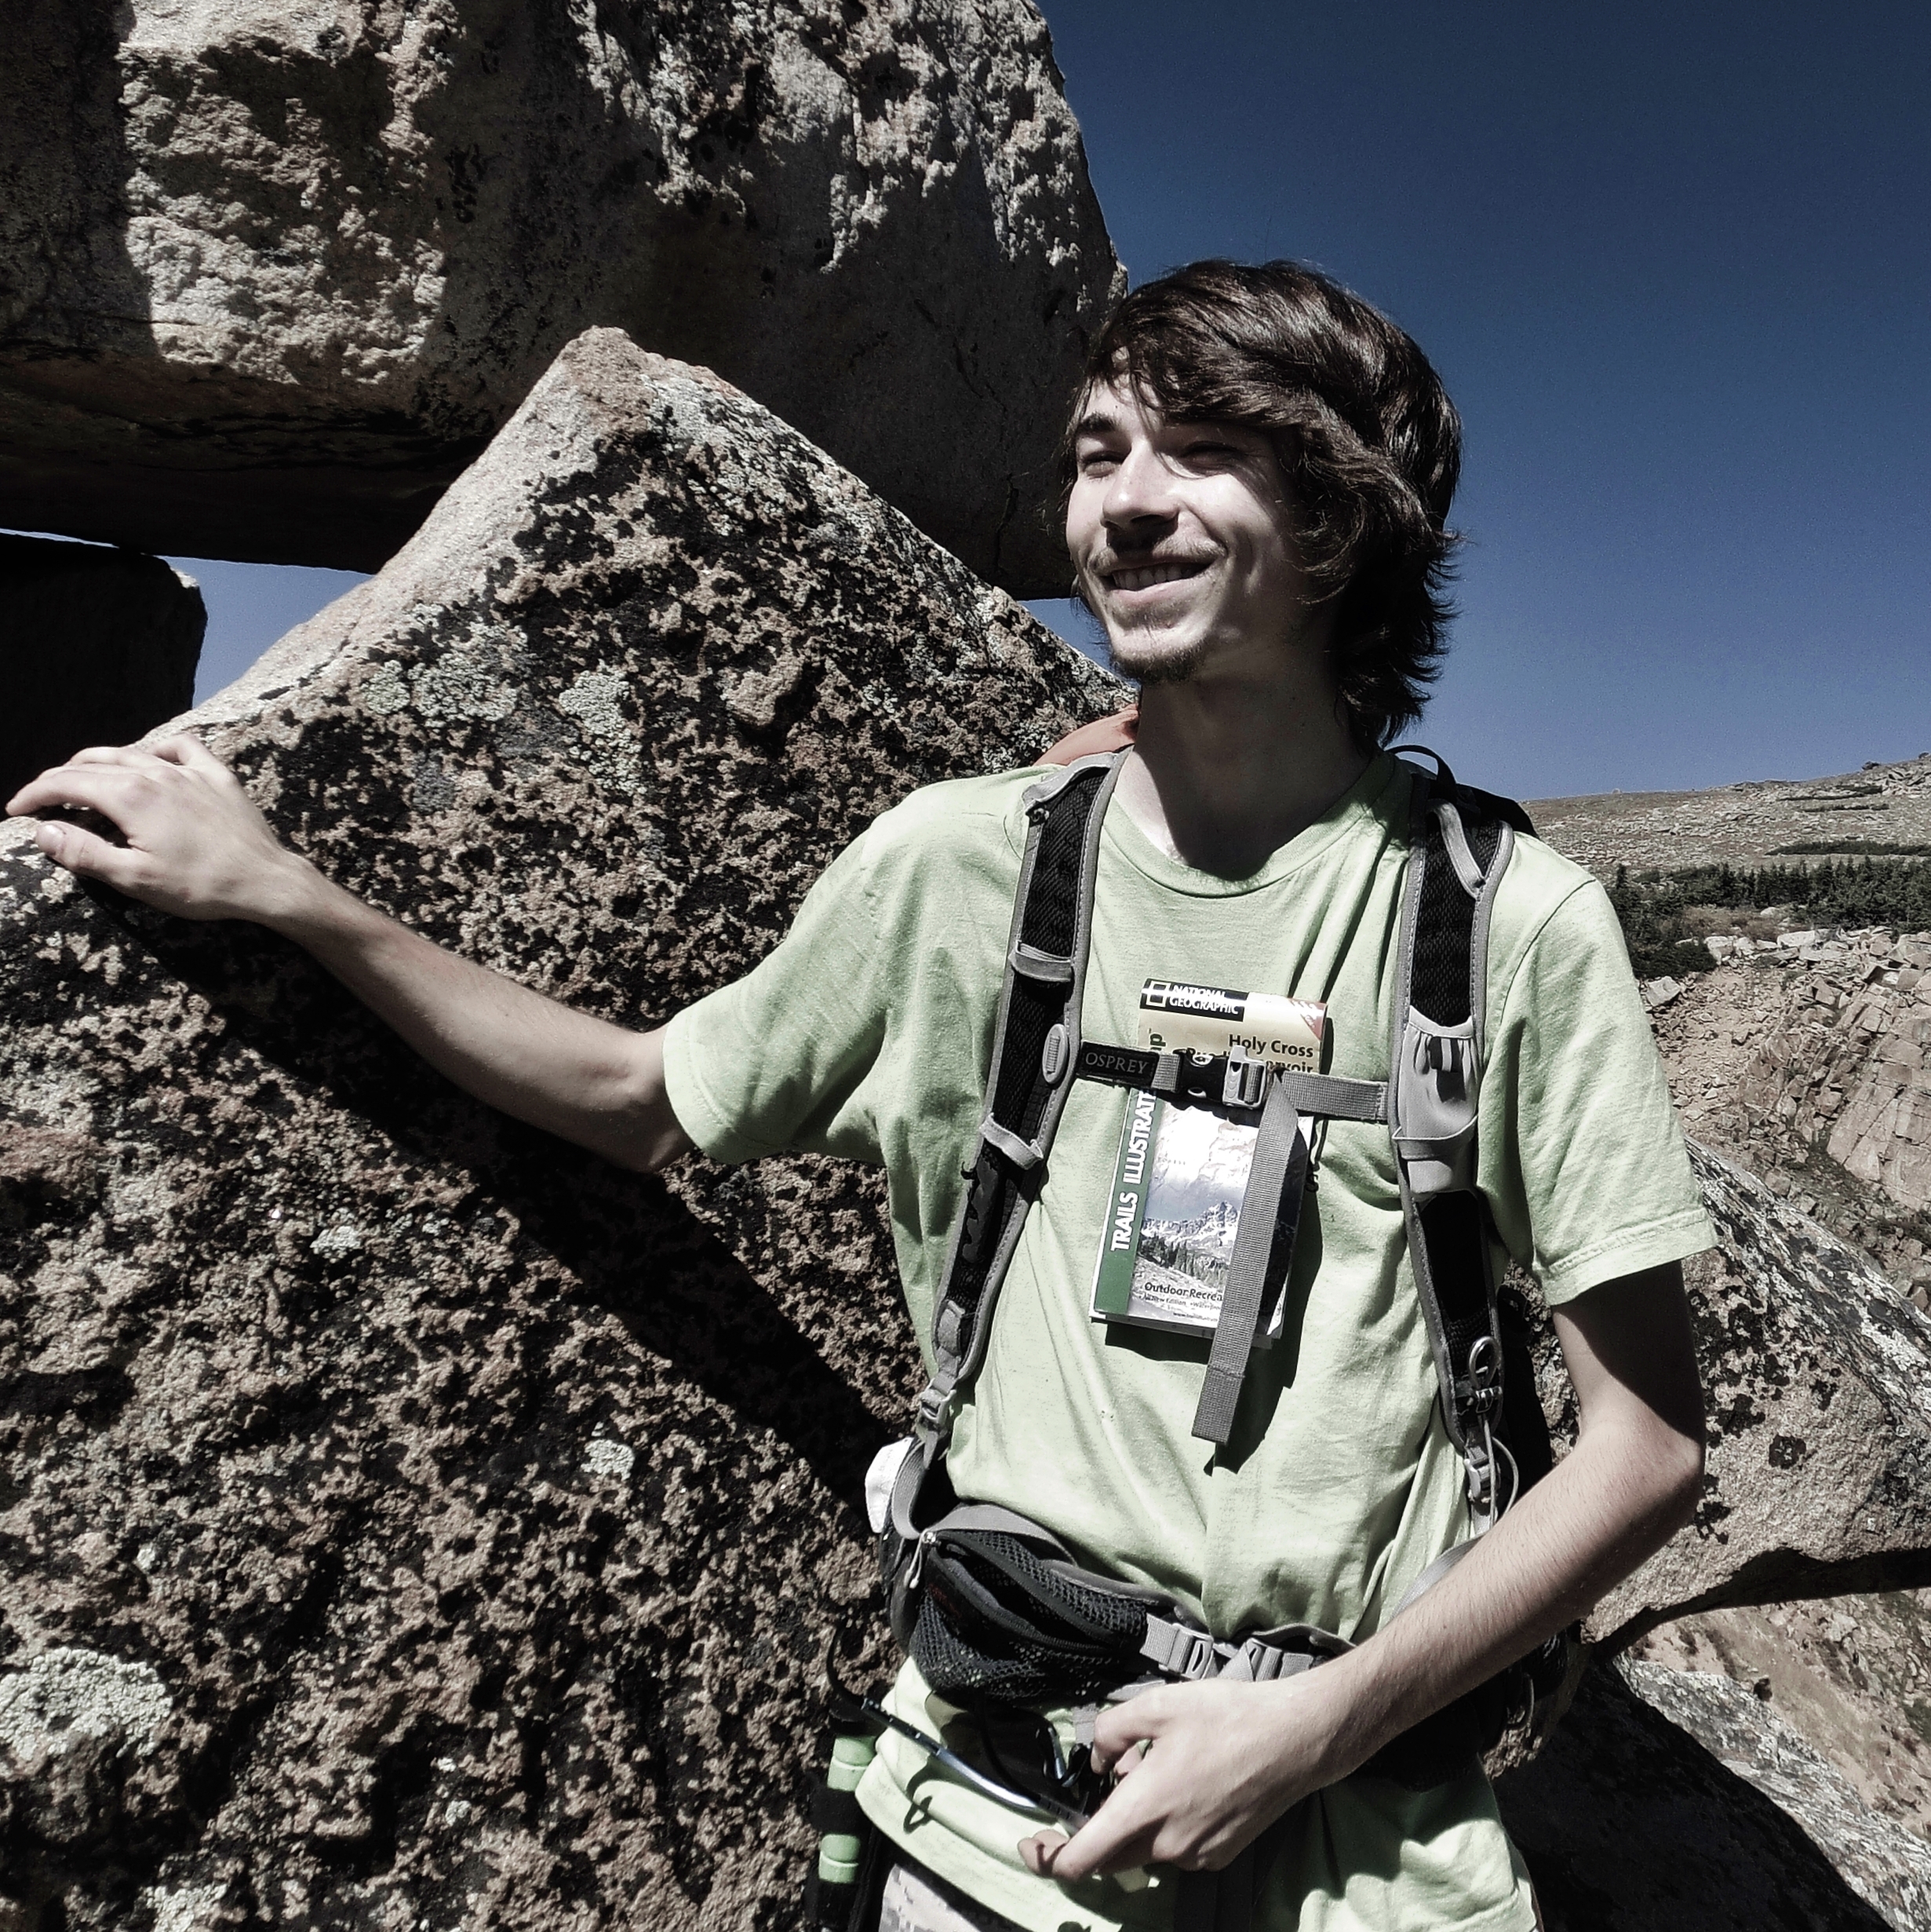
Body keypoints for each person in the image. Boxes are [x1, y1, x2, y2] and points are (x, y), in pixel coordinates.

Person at [7, 260, 1709, 1932]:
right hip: (984, 1835)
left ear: (1342, 515)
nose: (1125, 502)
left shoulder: (1505, 926)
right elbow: (637, 1093)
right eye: (1098, 451)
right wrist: (288, 894)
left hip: (1380, 1868)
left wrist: (1310, 1726)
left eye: (1203, 451)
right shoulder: (958, 867)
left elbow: (1642, 1449)